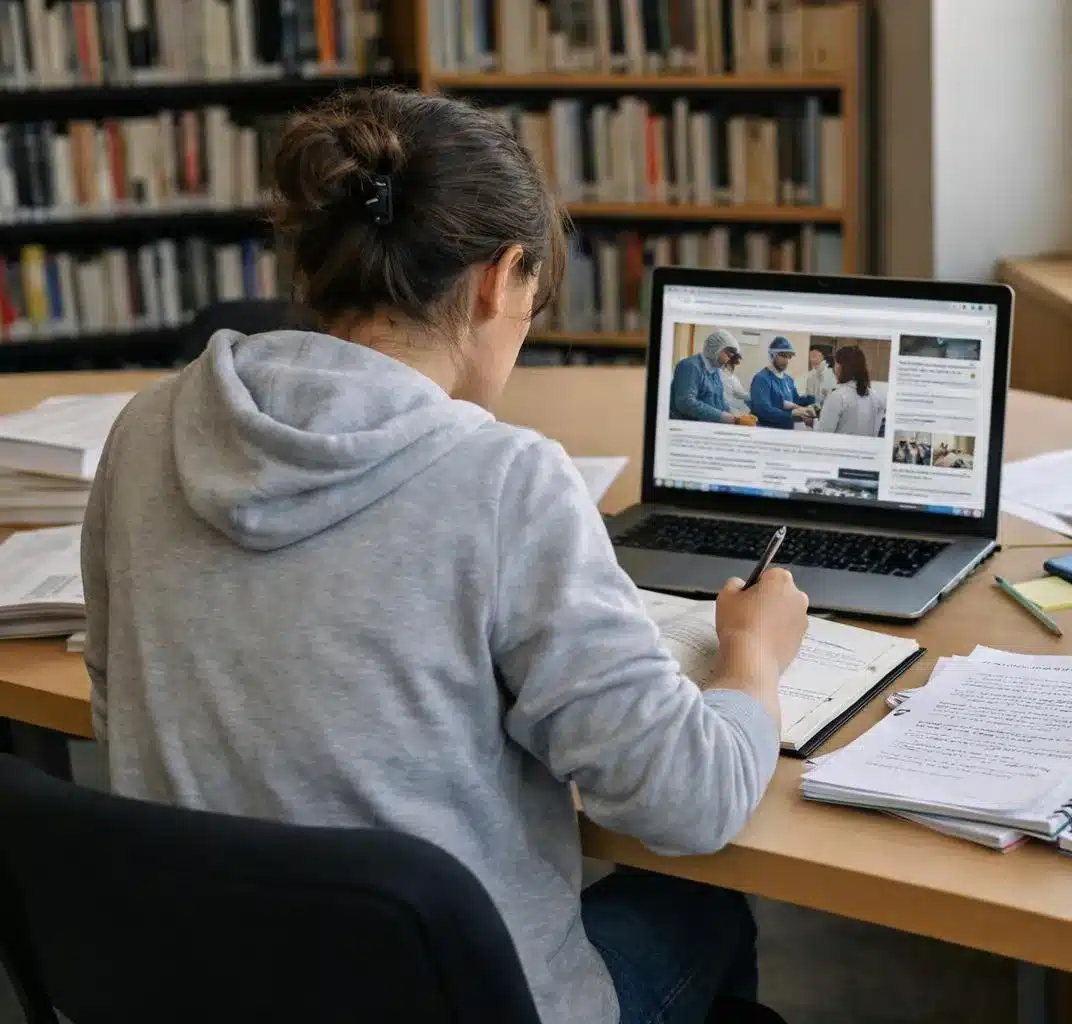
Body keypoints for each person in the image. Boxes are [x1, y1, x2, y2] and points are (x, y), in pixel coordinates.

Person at [80, 89, 808, 1024]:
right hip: (454, 1001)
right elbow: (690, 802)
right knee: (703, 907)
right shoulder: (504, 480)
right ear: (499, 280)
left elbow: (119, 708)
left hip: (199, 986)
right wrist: (752, 658)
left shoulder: (147, 429)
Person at [672, 329, 753, 424]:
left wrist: (736, 415)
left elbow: (719, 401)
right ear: (715, 348)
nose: (727, 361)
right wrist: (725, 417)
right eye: (727, 355)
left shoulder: (715, 370)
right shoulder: (690, 366)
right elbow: (685, 403)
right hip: (684, 424)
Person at [814, 346, 886, 437]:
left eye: (835, 364)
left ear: (841, 367)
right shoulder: (876, 398)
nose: (834, 369)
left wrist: (813, 423)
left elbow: (823, 435)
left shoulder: (837, 397)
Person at [748, 336, 817, 429]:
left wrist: (814, 400)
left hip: (786, 430)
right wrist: (791, 414)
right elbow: (763, 410)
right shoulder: (762, 379)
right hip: (767, 431)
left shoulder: (788, 380)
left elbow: (796, 400)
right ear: (772, 355)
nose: (786, 360)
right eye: (783, 356)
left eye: (789, 357)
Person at [719, 348, 752, 416]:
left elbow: (740, 394)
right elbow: (741, 394)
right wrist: (757, 396)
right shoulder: (730, 377)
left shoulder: (719, 373)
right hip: (726, 409)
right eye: (735, 364)